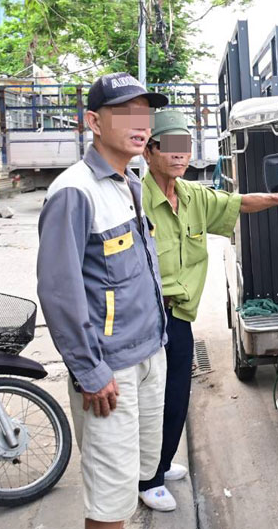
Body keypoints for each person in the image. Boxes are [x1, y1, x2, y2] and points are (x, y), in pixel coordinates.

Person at [137, 109, 278, 511]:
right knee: (148, 399)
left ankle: (161, 463)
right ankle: (147, 480)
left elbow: (240, 202)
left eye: (184, 147)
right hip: (144, 317)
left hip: (178, 317)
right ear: (148, 152)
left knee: (176, 394)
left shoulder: (192, 196)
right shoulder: (135, 199)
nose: (179, 155)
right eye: (169, 147)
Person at [36, 72, 169, 529]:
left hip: (149, 353)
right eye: (126, 113)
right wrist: (90, 370)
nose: (141, 123)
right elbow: (59, 291)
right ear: (94, 121)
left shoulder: (128, 182)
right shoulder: (74, 191)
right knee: (110, 501)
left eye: (145, 113)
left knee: (134, 479)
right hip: (110, 372)